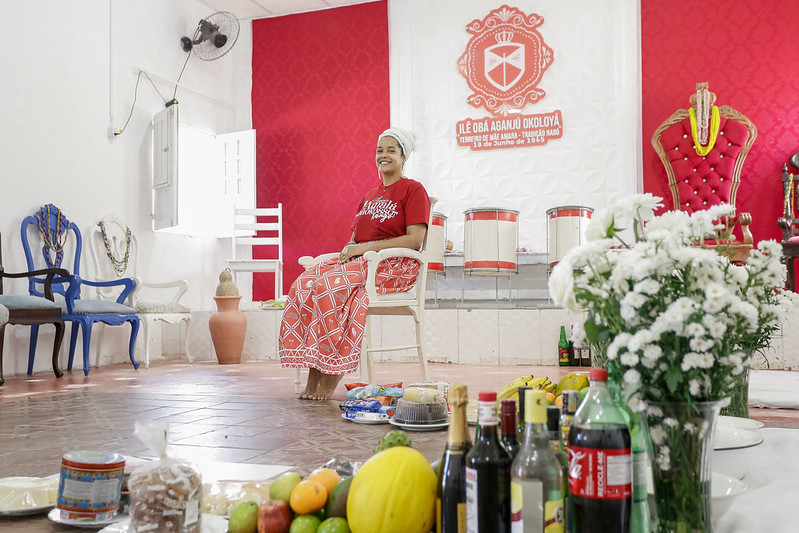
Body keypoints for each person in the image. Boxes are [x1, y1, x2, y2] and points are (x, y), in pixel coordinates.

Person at [279, 128, 431, 400]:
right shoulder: (369, 195)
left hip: (394, 265)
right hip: (363, 261)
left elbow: (415, 239)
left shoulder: (413, 190)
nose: (383, 155)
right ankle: (315, 372)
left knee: (329, 287)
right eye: (379, 150)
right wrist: (346, 254)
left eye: (391, 150)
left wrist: (364, 249)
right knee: (305, 284)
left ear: (404, 157)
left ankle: (331, 375)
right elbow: (354, 238)